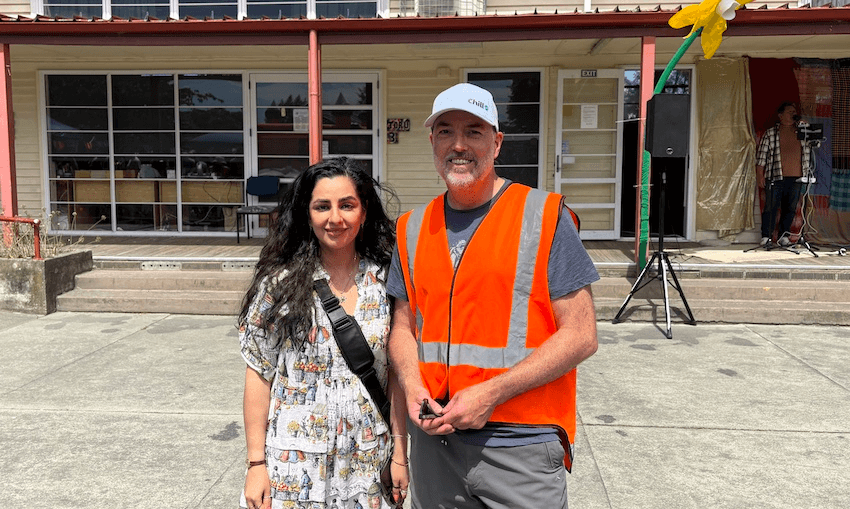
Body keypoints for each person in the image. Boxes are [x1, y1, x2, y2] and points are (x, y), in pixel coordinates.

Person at [386, 83, 600, 508]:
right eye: (445, 131)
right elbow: (402, 328)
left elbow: (581, 334)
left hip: (520, 441)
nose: (459, 144)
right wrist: (412, 387)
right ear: (433, 141)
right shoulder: (410, 228)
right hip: (435, 442)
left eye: (475, 131)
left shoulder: (543, 216)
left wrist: (490, 394)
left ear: (497, 143)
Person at [238, 157, 409, 509]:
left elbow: (396, 376)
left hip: (366, 460)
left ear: (363, 213)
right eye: (322, 206)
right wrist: (256, 464)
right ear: (307, 214)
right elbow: (258, 374)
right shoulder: (279, 285)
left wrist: (400, 455)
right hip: (294, 462)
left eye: (347, 205)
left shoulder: (388, 283)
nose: (335, 218)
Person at [755, 101, 813, 247]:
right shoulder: (771, 133)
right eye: (789, 112)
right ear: (780, 116)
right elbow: (761, 157)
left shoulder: (801, 131)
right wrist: (760, 175)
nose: (793, 114)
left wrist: (807, 129)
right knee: (771, 207)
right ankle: (766, 236)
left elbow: (816, 144)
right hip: (775, 176)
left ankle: (783, 236)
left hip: (797, 177)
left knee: (790, 208)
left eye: (794, 112)